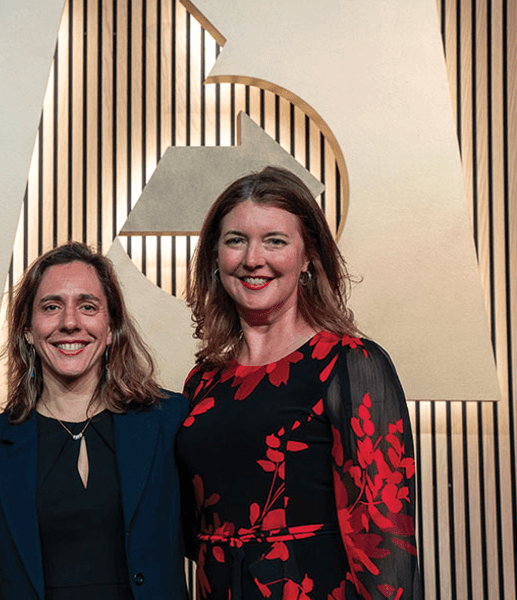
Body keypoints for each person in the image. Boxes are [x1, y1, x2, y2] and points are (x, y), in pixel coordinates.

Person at [177, 166, 423, 599]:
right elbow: (190, 530)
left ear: (307, 257)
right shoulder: (202, 383)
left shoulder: (350, 364)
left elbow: (385, 541)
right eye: (236, 240)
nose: (254, 259)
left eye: (275, 240)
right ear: (216, 258)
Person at [0, 242, 190, 600]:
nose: (70, 322)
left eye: (88, 306)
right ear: (27, 331)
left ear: (112, 326)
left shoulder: (168, 422)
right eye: (52, 307)